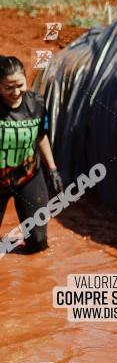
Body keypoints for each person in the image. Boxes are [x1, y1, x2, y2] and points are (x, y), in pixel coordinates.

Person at [0, 56, 63, 253]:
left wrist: (53, 170)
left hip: (28, 177)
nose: (15, 92)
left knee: (38, 244)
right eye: (8, 87)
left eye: (20, 84)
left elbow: (41, 138)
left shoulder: (36, 104)